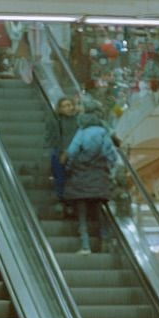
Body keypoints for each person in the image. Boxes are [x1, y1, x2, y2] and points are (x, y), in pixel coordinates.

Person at [64, 102, 118, 254]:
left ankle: (85, 245)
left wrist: (68, 169)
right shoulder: (103, 132)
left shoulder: (81, 132)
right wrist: (108, 169)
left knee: (82, 215)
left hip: (80, 177)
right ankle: (105, 240)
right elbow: (111, 155)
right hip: (99, 177)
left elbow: (71, 152)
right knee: (100, 212)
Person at [45, 96, 79, 208]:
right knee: (60, 178)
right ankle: (62, 200)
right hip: (60, 153)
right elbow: (52, 138)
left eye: (69, 105)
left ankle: (73, 202)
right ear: (60, 109)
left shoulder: (79, 120)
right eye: (64, 106)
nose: (68, 108)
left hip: (75, 154)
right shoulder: (55, 120)